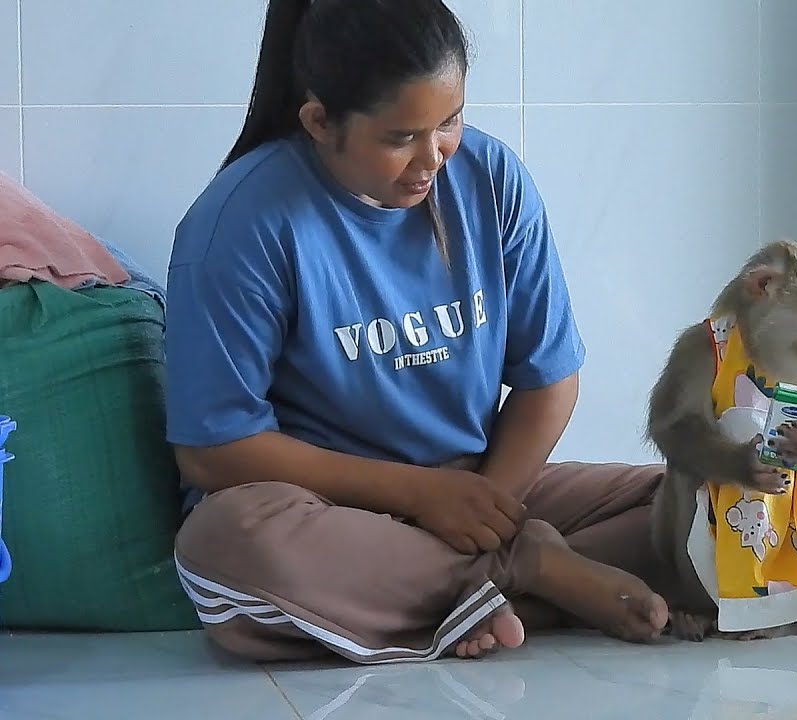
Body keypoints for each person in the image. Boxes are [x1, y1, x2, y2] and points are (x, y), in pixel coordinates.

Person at [163, 0, 672, 664]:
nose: (433, 159)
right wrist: (434, 505)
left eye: (451, 122)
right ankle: (526, 579)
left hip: (479, 486)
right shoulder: (242, 222)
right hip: (326, 512)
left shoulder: (493, 180)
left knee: (701, 506)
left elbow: (548, 384)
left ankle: (459, 601)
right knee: (225, 544)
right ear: (320, 121)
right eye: (401, 137)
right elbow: (212, 452)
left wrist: (486, 508)